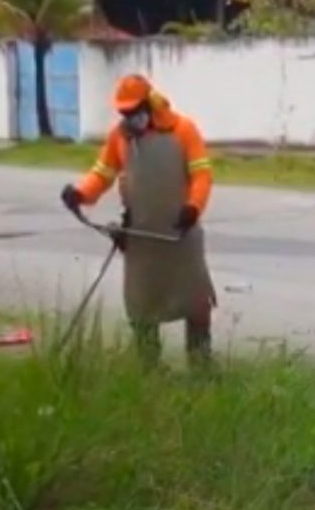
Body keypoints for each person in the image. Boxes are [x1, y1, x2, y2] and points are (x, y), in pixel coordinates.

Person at [60, 74, 216, 368]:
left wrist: (193, 207)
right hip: (141, 238)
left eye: (134, 112)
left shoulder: (184, 130)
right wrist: (80, 194)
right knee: (142, 306)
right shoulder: (119, 137)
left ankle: (201, 365)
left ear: (149, 103)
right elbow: (102, 173)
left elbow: (202, 175)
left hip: (182, 235)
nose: (130, 119)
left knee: (196, 302)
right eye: (124, 114)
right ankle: (149, 367)